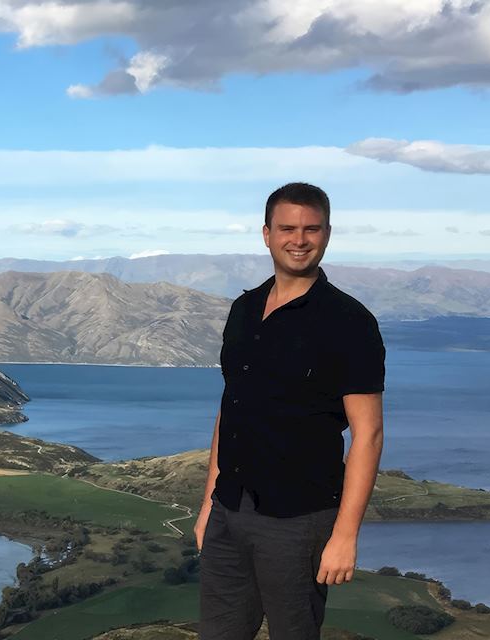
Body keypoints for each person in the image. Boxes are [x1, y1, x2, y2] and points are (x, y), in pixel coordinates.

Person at [195, 182, 385, 639]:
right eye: (287, 228)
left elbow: (369, 434)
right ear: (266, 234)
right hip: (229, 510)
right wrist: (207, 505)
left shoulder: (348, 322)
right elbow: (232, 408)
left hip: (300, 522)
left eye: (311, 229)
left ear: (327, 234)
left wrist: (345, 536)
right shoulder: (243, 310)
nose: (299, 239)